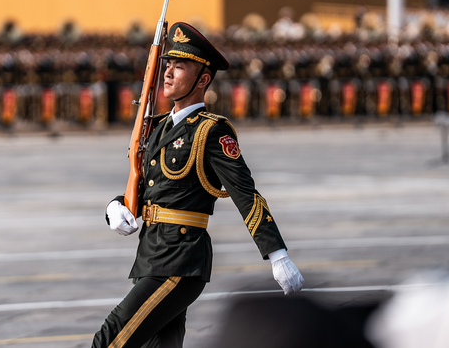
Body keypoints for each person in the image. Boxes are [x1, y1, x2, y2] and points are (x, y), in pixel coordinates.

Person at [92, 22, 305, 348]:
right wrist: (115, 206)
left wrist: (277, 254)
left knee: (111, 339)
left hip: (179, 259)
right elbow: (150, 189)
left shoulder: (211, 131)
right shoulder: (158, 127)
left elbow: (246, 194)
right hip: (150, 255)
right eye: (168, 64)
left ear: (203, 79)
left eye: (180, 67)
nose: (168, 73)